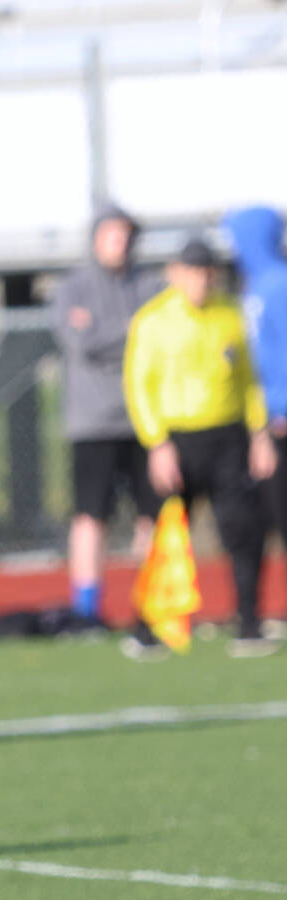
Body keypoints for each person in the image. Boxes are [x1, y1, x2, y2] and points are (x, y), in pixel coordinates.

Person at [123, 235, 278, 658]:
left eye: (208, 271)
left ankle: (249, 623)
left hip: (228, 437)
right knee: (163, 534)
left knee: (243, 531)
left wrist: (258, 433)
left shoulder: (231, 314)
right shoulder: (153, 321)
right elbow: (140, 386)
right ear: (174, 273)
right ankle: (148, 627)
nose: (201, 280)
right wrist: (156, 443)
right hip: (175, 440)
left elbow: (249, 379)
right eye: (193, 271)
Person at [52, 203, 162, 625]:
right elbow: (81, 343)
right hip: (93, 423)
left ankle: (152, 602)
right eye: (113, 234)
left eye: (127, 235)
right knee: (90, 516)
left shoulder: (149, 286)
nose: (122, 242)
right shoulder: (73, 289)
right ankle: (86, 608)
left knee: (151, 516)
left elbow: (156, 342)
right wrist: (133, 329)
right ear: (96, 238)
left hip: (144, 419)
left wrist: (106, 330)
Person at [224, 205, 287, 631]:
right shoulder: (254, 287)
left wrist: (278, 412)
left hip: (279, 423)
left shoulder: (278, 285)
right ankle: (250, 615)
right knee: (252, 524)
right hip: (260, 423)